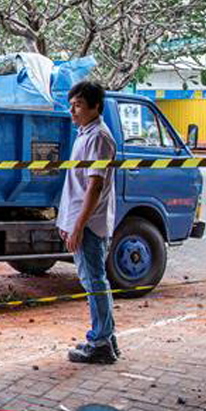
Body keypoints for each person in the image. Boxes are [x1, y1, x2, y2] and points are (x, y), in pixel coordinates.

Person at [58, 81, 119, 364]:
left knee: (94, 281)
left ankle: (100, 343)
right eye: (71, 105)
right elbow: (77, 186)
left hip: (91, 225)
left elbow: (94, 186)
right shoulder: (85, 134)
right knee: (93, 280)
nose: (72, 110)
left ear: (96, 106)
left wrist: (79, 225)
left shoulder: (99, 138)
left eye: (78, 105)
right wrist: (67, 220)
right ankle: (106, 336)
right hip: (82, 222)